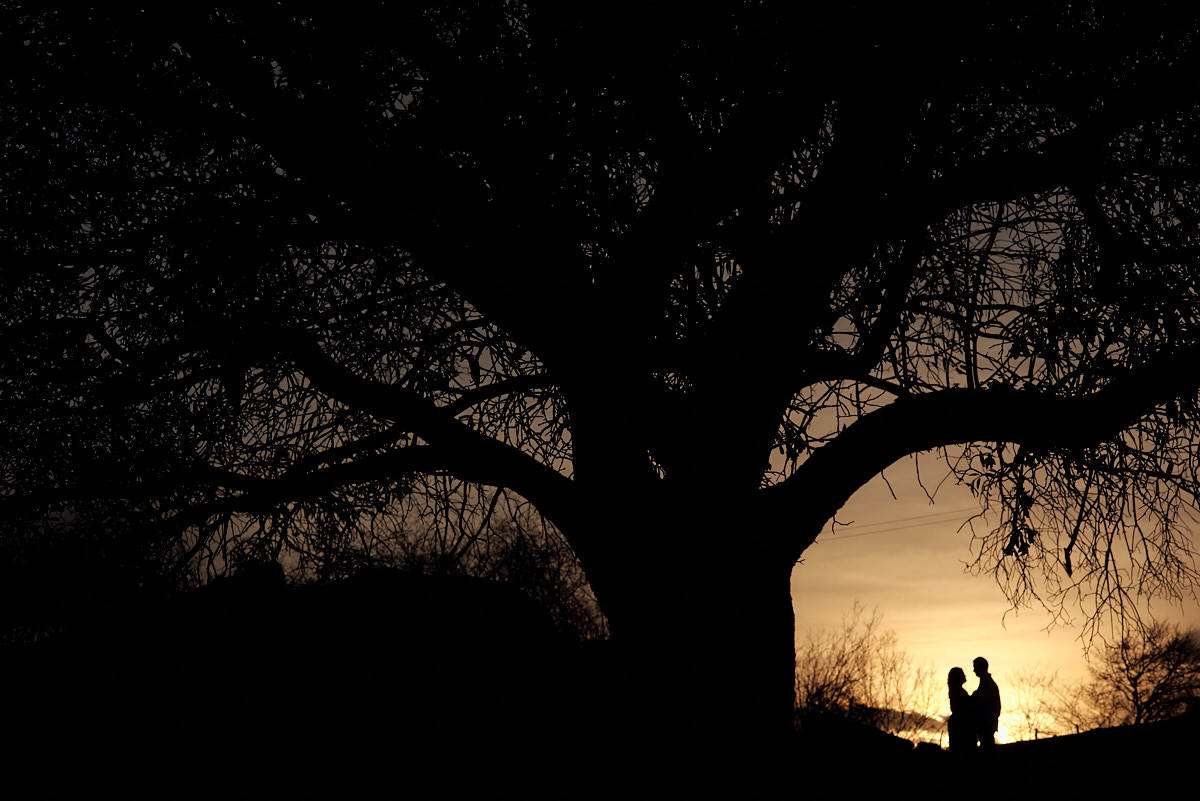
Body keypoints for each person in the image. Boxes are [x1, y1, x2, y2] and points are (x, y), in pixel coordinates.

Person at [970, 656, 1001, 749]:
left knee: (987, 748)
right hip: (987, 723)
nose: (973, 670)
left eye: (975, 667)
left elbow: (984, 704)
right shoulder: (986, 682)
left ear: (981, 667)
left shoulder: (987, 683)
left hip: (986, 724)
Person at [946, 667, 971, 753]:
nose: (965, 676)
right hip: (960, 724)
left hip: (958, 722)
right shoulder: (958, 691)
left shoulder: (956, 690)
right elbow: (961, 707)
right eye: (962, 674)